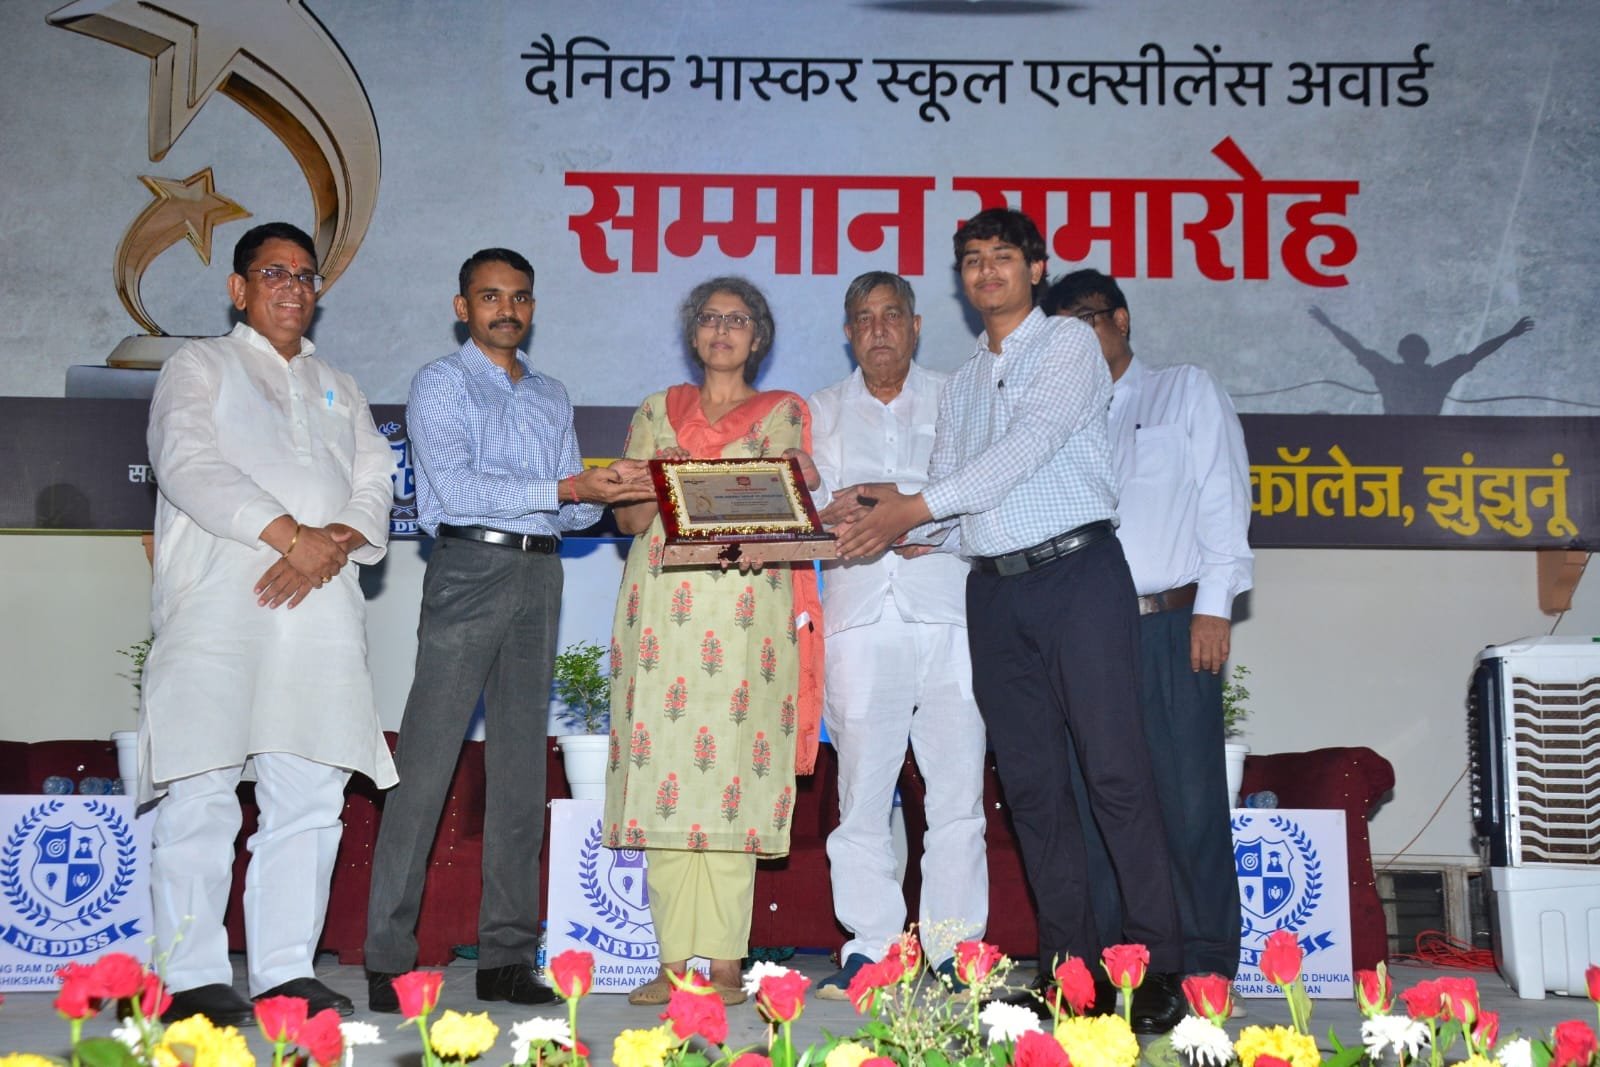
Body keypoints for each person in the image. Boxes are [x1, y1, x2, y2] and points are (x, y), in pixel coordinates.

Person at [820, 208, 1185, 1034]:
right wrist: (891, 521)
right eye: (973, 260)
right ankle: (1068, 971)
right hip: (992, 592)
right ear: (961, 279)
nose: (987, 272)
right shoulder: (963, 383)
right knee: (1031, 788)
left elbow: (1024, 451)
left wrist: (911, 505)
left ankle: (1156, 963)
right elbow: (959, 505)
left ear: (1037, 267)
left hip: (1077, 575)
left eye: (1003, 257)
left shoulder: (1066, 344)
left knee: (1115, 773)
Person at [363, 248, 653, 1013]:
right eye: (490, 297)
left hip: (540, 572)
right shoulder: (441, 382)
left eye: (519, 297)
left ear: (533, 307)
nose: (506, 310)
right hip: (469, 566)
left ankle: (506, 956)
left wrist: (607, 491)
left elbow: (566, 512)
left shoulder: (551, 393)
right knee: (426, 761)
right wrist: (567, 485)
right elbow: (457, 490)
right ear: (462, 307)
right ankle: (388, 957)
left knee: (522, 767)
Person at [142, 221, 397, 1025]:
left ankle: (286, 970)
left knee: (311, 791)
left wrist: (332, 542)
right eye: (274, 272)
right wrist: (290, 534)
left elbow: (376, 478)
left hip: (321, 605)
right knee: (203, 787)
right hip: (221, 602)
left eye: (305, 275)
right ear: (238, 288)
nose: (293, 286)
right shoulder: (199, 365)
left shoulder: (339, 384)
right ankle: (190, 976)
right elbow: (187, 463)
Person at [604, 276, 824, 1007]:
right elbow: (631, 522)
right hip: (662, 616)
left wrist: (692, 481)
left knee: (733, 778)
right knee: (664, 775)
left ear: (757, 337)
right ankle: (673, 962)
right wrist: (649, 485)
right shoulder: (655, 409)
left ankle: (726, 963)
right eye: (709, 318)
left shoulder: (784, 412)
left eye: (737, 319)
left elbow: (779, 511)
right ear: (692, 332)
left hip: (744, 617)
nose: (722, 330)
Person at [1042, 269, 1253, 983]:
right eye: (1062, 333)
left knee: (1188, 800)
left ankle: (1206, 965)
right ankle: (1117, 967)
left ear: (1122, 319)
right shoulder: (1056, 423)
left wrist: (1214, 604)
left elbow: (1224, 495)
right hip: (1080, 635)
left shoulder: (1183, 390)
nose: (1078, 341)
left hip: (1169, 625)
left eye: (1088, 321)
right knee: (1096, 802)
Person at [807, 271, 986, 997]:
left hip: (951, 614)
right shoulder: (818, 411)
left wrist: (907, 508)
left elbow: (982, 491)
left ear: (915, 326)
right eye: (864, 317)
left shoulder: (960, 397)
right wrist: (905, 501)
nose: (878, 328)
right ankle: (873, 948)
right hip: (858, 621)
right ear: (848, 332)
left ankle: (955, 949)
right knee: (862, 797)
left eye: (891, 315)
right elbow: (816, 510)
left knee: (957, 797)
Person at [1307, 305, 1534, 414]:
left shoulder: (1388, 373)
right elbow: (1478, 354)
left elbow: (1355, 347)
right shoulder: (1439, 375)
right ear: (1426, 353)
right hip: (1425, 441)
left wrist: (1328, 325)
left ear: (1401, 353)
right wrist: (1509, 335)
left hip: (1390, 441)